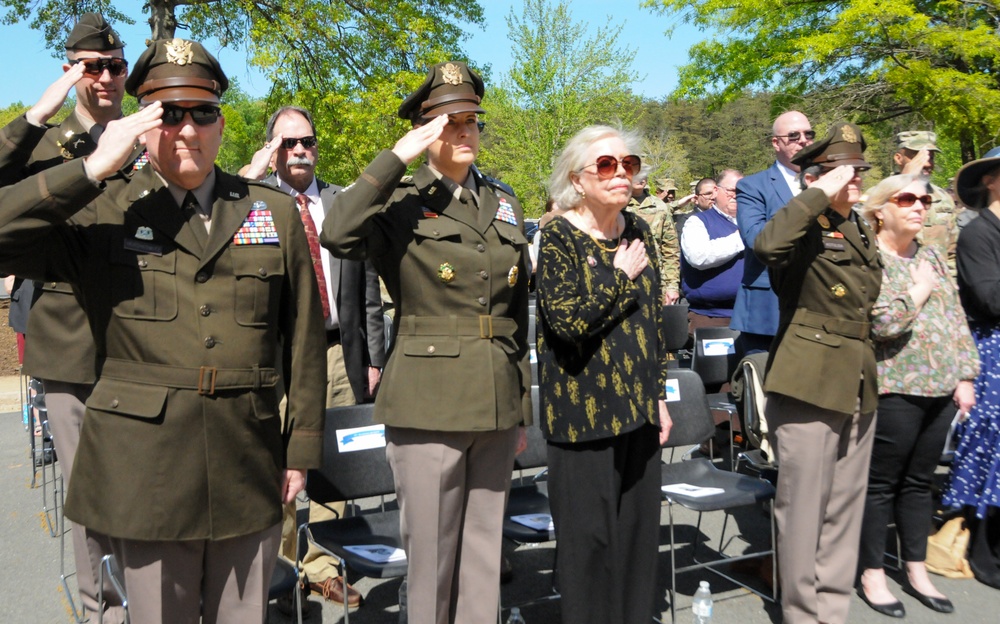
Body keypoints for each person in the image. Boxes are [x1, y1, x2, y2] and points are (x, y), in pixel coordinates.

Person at [0, 38, 327, 624]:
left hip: (247, 462)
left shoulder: (269, 211)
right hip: (144, 472)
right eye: (168, 114)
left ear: (221, 123)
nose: (186, 130)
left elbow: (302, 339)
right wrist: (91, 167)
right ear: (142, 125)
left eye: (202, 113)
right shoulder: (105, 208)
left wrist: (299, 450)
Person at [320, 60, 532, 623]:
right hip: (429, 403)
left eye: (472, 121)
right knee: (433, 560)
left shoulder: (503, 202)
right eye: (449, 121)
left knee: (485, 553)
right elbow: (336, 232)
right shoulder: (398, 202)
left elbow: (517, 317)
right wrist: (397, 158)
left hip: (495, 400)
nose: (464, 131)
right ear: (424, 130)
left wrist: (521, 408)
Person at [0, 13, 141, 621]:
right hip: (74, 341)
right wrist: (34, 116)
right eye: (91, 67)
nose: (106, 77)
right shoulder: (44, 145)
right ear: (71, 70)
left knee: (144, 481)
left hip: (144, 335)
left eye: (114, 65)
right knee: (89, 492)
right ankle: (104, 608)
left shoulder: (147, 132)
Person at [241, 105, 385, 609]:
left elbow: (366, 285)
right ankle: (277, 572)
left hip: (339, 352)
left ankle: (322, 565)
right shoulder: (254, 204)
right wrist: (247, 179)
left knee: (333, 458)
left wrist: (373, 355)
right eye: (287, 143)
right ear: (271, 149)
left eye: (307, 141)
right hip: (279, 361)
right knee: (279, 462)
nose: (300, 150)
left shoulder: (341, 202)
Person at [535, 125, 672, 624]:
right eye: (607, 165)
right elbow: (567, 324)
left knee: (638, 538)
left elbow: (654, 322)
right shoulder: (557, 235)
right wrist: (620, 278)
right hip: (582, 416)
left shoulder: (638, 230)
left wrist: (658, 395)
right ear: (578, 178)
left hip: (639, 412)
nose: (621, 174)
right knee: (588, 545)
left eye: (628, 164)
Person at [755, 122, 881, 624]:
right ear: (818, 177)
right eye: (843, 172)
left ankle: (832, 611)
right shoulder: (803, 222)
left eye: (858, 170)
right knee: (803, 512)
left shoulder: (858, 226)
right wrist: (814, 196)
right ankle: (801, 615)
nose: (855, 179)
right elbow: (766, 246)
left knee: (844, 512)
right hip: (807, 380)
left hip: (856, 378)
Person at [855, 174, 978, 617]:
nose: (918, 206)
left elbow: (955, 316)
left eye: (924, 200)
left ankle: (916, 569)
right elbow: (883, 323)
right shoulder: (868, 258)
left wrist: (965, 375)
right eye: (906, 198)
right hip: (896, 386)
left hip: (942, 387)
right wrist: (919, 288)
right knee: (881, 485)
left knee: (920, 483)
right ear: (879, 209)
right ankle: (872, 573)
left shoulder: (931, 255)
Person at [943, 146, 1000, 590]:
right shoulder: (978, 234)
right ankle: (985, 550)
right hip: (993, 351)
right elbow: (989, 299)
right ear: (990, 181)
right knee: (990, 449)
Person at [731, 111, 815, 356]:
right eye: (793, 136)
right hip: (768, 310)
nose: (803, 140)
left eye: (809, 134)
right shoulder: (752, 186)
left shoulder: (827, 183)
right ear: (776, 143)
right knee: (764, 389)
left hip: (817, 308)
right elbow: (756, 239)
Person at [680, 168, 745, 335]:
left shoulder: (754, 220)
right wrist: (741, 238)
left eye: (742, 191)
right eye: (731, 190)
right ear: (716, 191)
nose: (736, 195)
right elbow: (699, 257)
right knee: (718, 363)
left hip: (751, 314)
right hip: (712, 317)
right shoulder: (697, 222)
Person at [892, 130, 962, 273]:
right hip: (897, 284)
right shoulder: (881, 197)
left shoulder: (943, 198)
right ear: (899, 158)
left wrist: (951, 285)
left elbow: (953, 253)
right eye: (917, 156)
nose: (927, 163)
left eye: (931, 157)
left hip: (940, 286)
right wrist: (904, 181)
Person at [627, 167, 681, 303]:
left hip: (657, 282)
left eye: (644, 175)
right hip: (625, 280)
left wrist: (672, 286)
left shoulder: (660, 207)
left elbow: (670, 249)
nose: (641, 178)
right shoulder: (616, 205)